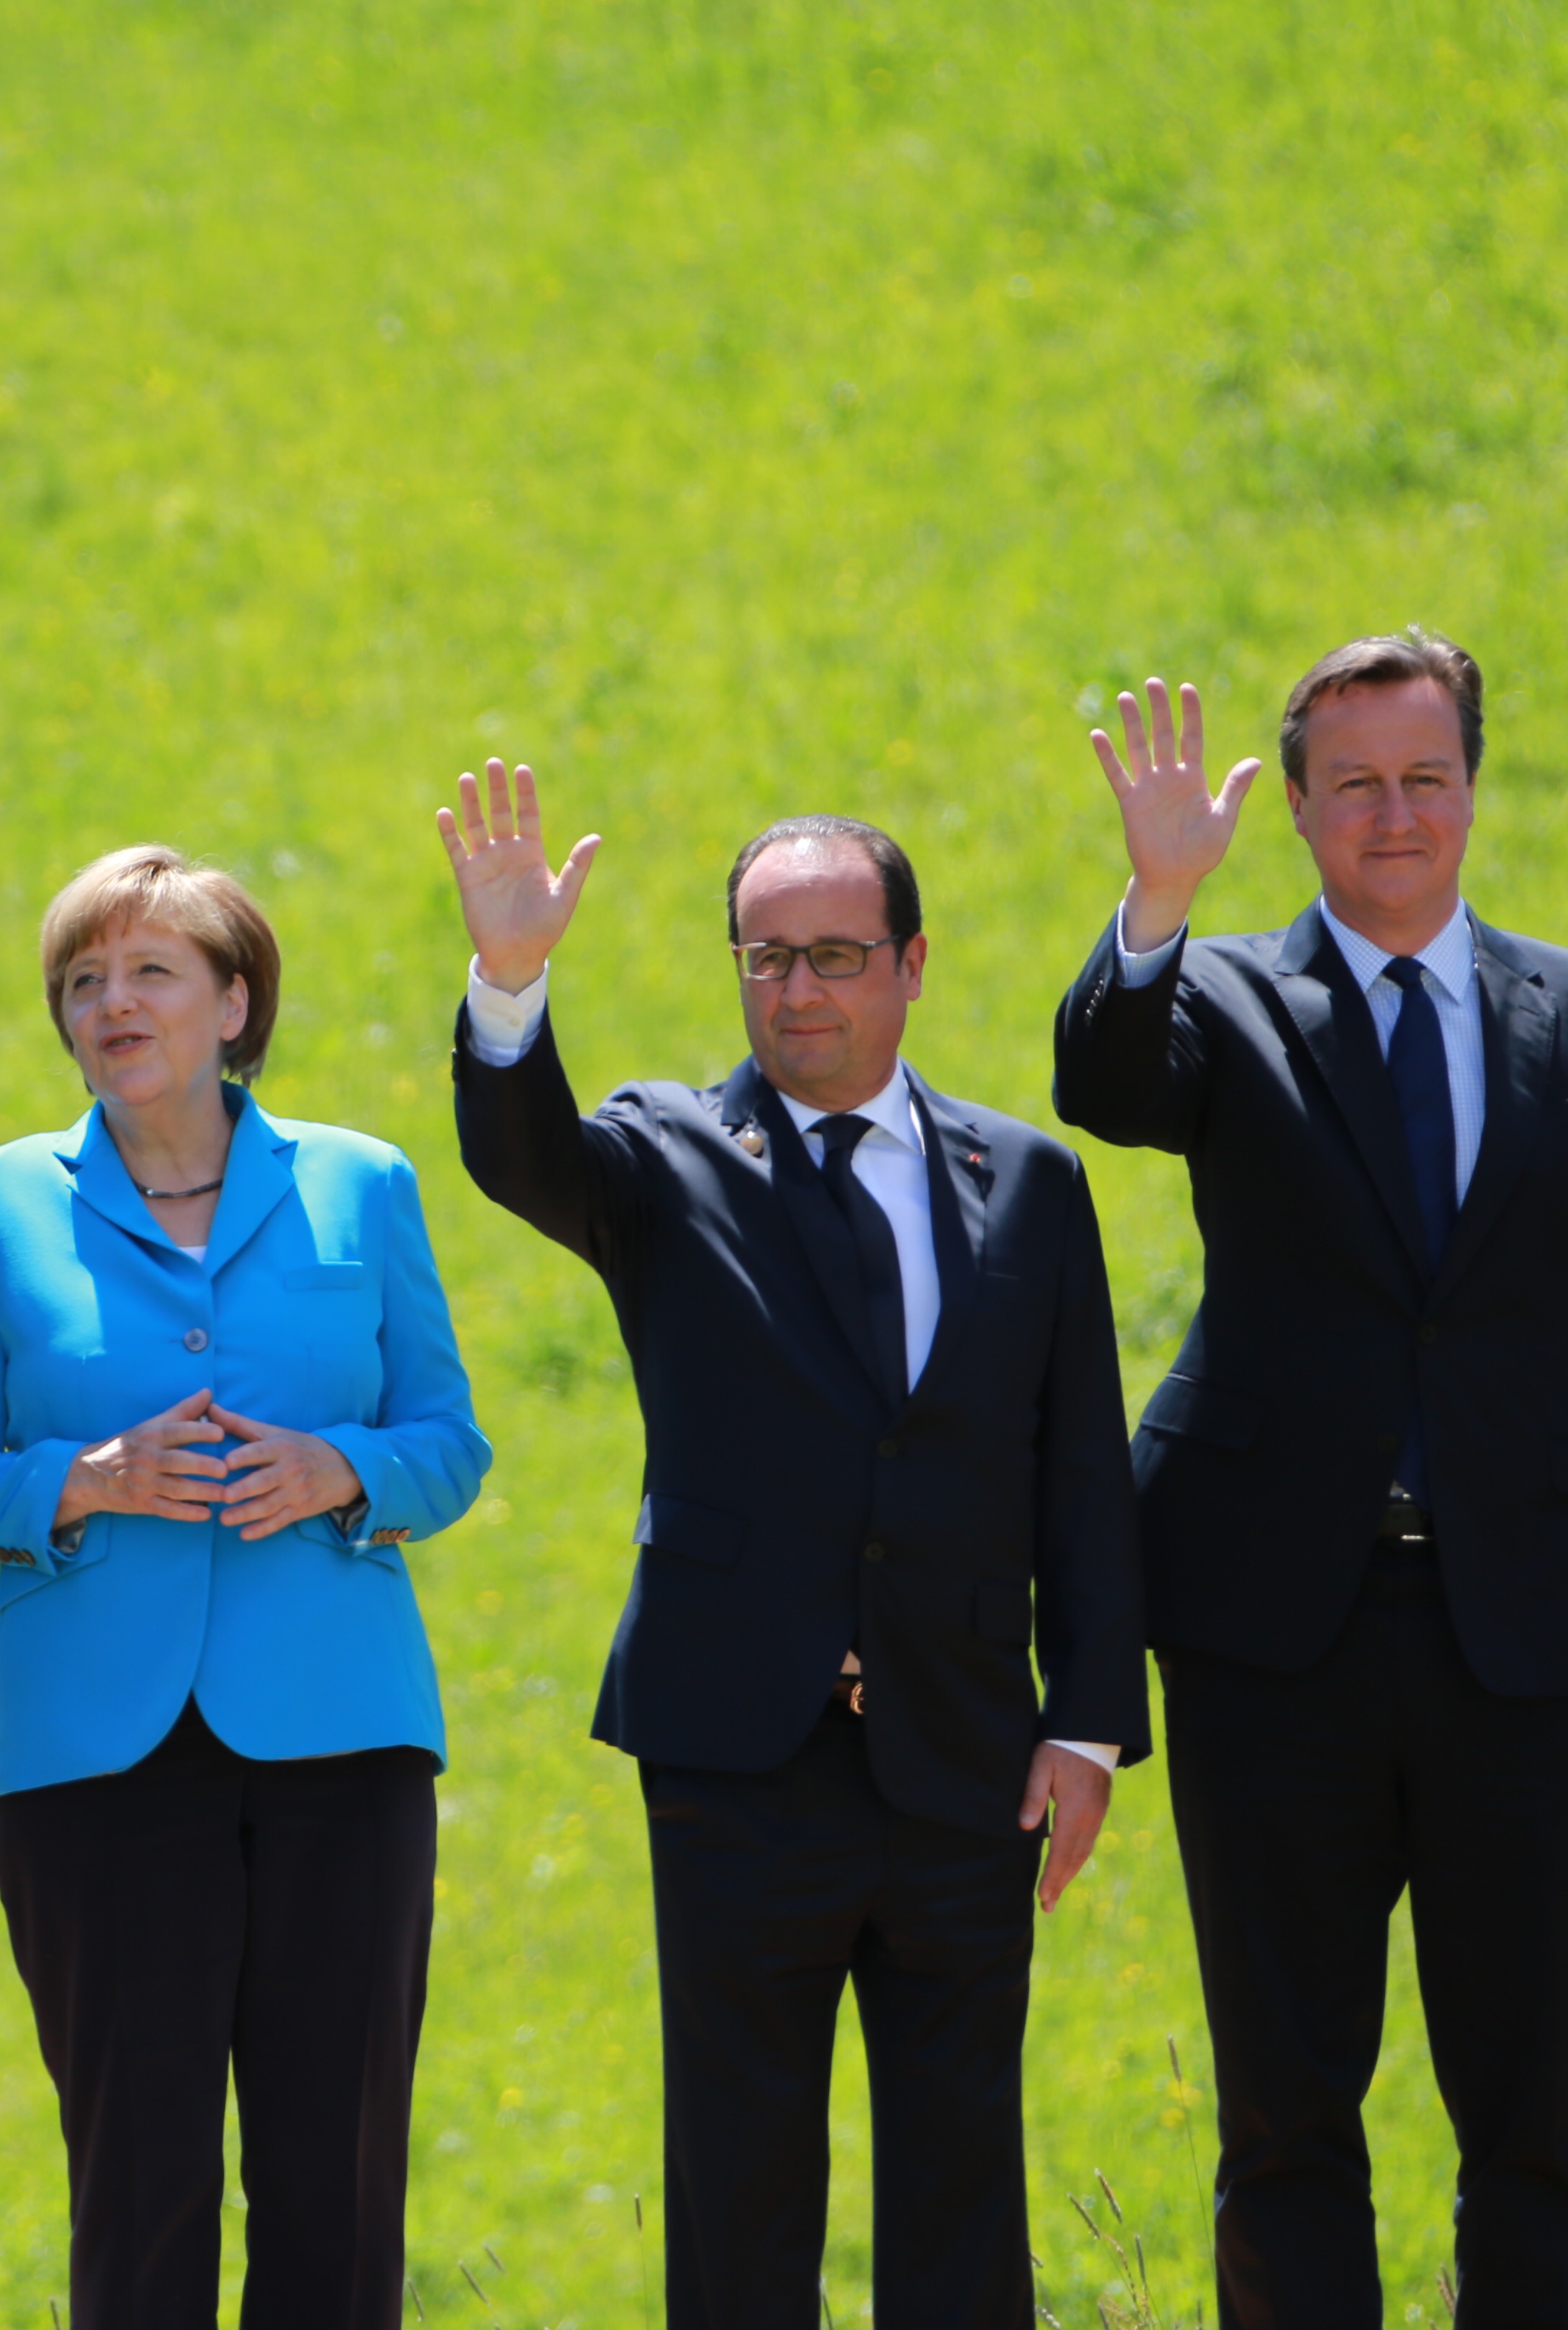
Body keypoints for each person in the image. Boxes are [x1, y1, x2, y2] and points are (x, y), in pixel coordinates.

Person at [1054, 639, 1568, 2329]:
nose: (1393, 813)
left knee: (1531, 2116)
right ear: (1294, 805)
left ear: (1471, 790)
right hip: (1269, 1633)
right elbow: (1105, 1084)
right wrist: (1155, 900)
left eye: (1425, 776)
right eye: (1354, 782)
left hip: (1534, 1634)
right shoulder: (1215, 995)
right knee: (1286, 2112)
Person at [444, 766, 1146, 2330]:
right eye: (767, 956)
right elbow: (521, 1156)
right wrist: (509, 983)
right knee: (741, 2178)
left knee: (965, 2176)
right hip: (735, 1758)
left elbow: (1080, 1467)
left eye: (835, 954)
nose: (799, 988)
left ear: (911, 964)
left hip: (966, 1752)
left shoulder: (1024, 1179)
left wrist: (1086, 1720)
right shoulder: (663, 1152)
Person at [0, 846, 489, 2330]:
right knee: (138, 2182)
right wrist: (74, 1482)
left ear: (236, 1004)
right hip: (92, 1757)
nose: (113, 1004)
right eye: (83, 981)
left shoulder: (362, 1183)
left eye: (151, 972)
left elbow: (449, 1441)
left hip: (341, 1745)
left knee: (337, 2184)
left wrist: (339, 1472)